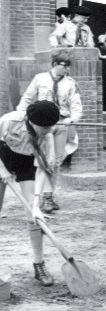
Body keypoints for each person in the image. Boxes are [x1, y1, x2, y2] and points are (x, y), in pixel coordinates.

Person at [0, 101, 60, 286]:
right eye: (44, 127)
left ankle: (39, 264)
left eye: (50, 127)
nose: (48, 130)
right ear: (31, 121)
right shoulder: (9, 121)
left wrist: (35, 204)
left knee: (34, 216)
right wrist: (2, 170)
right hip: (2, 156)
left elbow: (41, 169)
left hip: (26, 162)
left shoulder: (47, 135)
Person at [16, 50, 82, 212]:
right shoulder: (40, 78)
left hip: (61, 124)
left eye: (69, 66)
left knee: (55, 162)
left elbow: (76, 104)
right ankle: (38, 195)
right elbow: (27, 98)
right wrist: (21, 113)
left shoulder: (70, 83)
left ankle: (48, 197)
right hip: (43, 125)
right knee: (43, 160)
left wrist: (73, 118)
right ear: (55, 64)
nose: (67, 69)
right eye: (64, 65)